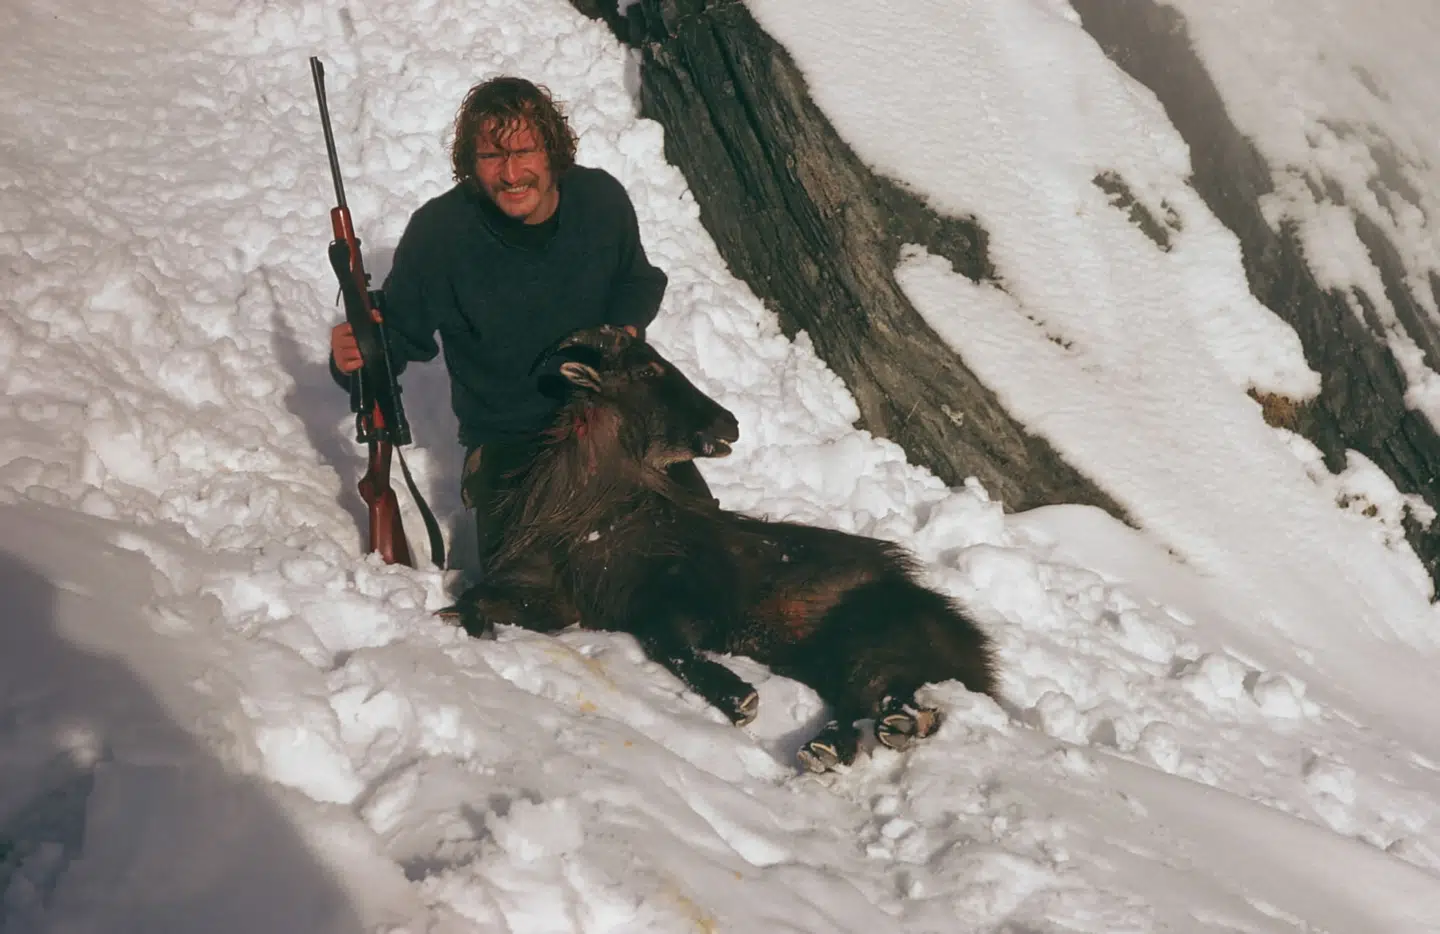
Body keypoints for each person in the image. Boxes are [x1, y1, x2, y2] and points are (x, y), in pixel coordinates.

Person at [330, 76, 713, 568]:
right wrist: (355, 356)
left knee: (699, 545)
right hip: (509, 442)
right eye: (491, 157)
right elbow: (396, 339)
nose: (511, 174)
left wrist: (624, 333)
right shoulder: (441, 235)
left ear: (553, 150)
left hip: (612, 418)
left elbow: (638, 280)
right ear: (471, 165)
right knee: (528, 586)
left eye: (525, 151)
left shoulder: (601, 201)